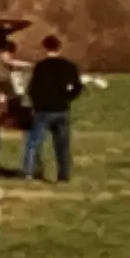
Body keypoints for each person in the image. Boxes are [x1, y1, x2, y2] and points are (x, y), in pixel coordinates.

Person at [20, 33, 86, 183]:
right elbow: (78, 86)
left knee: (34, 142)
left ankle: (28, 173)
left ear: (45, 48)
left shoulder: (40, 67)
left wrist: (35, 103)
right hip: (62, 108)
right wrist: (68, 98)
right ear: (59, 48)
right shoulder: (69, 66)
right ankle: (63, 175)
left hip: (43, 110)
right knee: (62, 145)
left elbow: (32, 89)